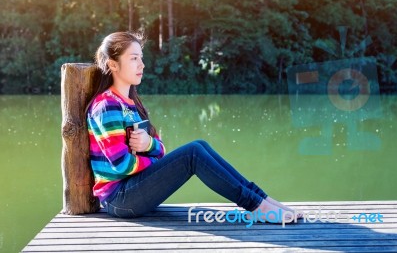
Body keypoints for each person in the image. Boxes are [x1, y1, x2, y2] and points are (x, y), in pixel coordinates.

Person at [86, 31, 302, 223]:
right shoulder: (107, 106)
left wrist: (148, 143)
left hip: (135, 188)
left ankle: (262, 199)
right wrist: (151, 159)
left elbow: (161, 149)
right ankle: (257, 207)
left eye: (141, 58)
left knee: (200, 145)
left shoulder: (132, 104)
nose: (141, 65)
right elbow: (121, 165)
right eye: (134, 59)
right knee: (193, 154)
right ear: (113, 64)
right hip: (120, 199)